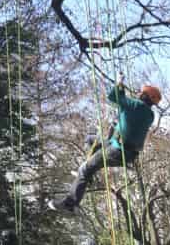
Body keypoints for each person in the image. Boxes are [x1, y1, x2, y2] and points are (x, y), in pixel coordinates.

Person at [48, 74, 162, 214]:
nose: (139, 94)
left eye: (142, 93)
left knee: (85, 169)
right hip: (125, 150)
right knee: (91, 139)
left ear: (145, 97)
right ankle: (89, 178)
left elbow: (112, 98)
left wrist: (119, 84)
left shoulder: (135, 105)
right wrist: (121, 93)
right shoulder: (150, 115)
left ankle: (70, 203)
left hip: (117, 150)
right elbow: (125, 110)